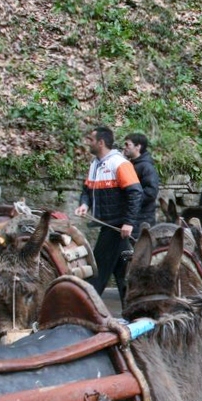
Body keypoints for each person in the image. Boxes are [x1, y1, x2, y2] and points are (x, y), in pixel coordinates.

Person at [74, 126, 142, 304]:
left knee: (99, 270)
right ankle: (133, 307)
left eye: (91, 139)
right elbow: (87, 190)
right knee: (122, 272)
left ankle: (85, 306)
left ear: (101, 142)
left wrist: (128, 222)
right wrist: (84, 204)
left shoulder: (120, 164)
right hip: (109, 224)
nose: (88, 142)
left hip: (116, 225)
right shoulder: (95, 164)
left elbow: (135, 193)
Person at [122, 133, 160, 234]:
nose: (124, 147)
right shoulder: (130, 165)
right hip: (132, 218)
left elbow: (151, 192)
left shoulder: (146, 167)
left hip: (142, 220)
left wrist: (132, 201)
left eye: (127, 145)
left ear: (138, 147)